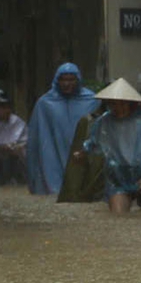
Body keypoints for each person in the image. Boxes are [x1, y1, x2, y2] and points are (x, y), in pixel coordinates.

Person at [82, 79, 141, 212]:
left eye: (123, 103)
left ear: (131, 103)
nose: (118, 108)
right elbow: (94, 143)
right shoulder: (104, 121)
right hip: (118, 177)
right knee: (118, 217)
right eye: (113, 104)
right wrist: (83, 152)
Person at [24, 62, 99, 196]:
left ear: (78, 80)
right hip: (52, 159)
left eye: (71, 79)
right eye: (63, 79)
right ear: (57, 80)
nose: (66, 83)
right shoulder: (45, 103)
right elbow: (35, 139)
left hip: (82, 157)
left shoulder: (92, 101)